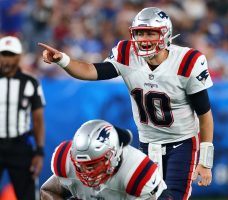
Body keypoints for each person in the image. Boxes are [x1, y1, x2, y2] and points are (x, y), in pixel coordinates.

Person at [39, 7, 214, 200]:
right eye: (139, 33)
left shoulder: (187, 61)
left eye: (150, 33)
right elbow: (90, 71)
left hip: (182, 143)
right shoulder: (127, 53)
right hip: (147, 142)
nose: (144, 39)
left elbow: (204, 115)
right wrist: (63, 60)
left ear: (166, 35)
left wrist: (205, 161)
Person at [40, 119, 168, 200]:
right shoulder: (67, 165)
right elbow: (47, 191)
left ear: (113, 155)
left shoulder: (135, 172)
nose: (87, 172)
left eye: (94, 164)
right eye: (81, 165)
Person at [0, 36, 46, 200]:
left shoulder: (30, 82)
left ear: (18, 57)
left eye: (10, 55)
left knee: (27, 195)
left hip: (20, 145)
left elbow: (38, 119)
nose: (6, 59)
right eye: (3, 54)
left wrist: (39, 151)